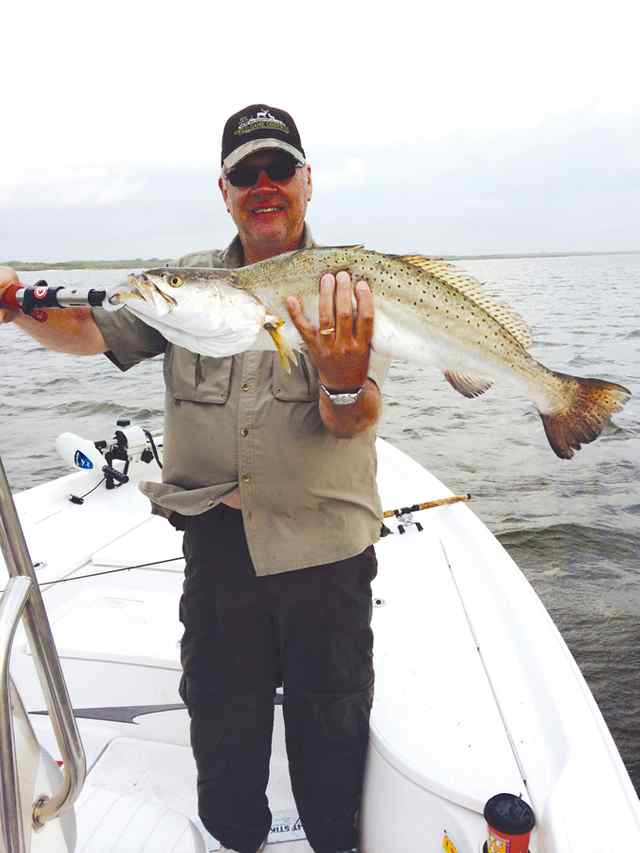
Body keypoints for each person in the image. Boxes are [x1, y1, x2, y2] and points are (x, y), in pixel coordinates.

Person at [0, 104, 390, 853]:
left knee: (332, 726)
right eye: (247, 173)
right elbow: (91, 330)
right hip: (219, 551)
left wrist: (342, 381)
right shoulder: (184, 284)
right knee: (222, 723)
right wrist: (17, 308)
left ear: (308, 181)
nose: (265, 184)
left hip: (327, 556)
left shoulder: (344, 282)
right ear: (225, 189)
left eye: (280, 169)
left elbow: (356, 417)